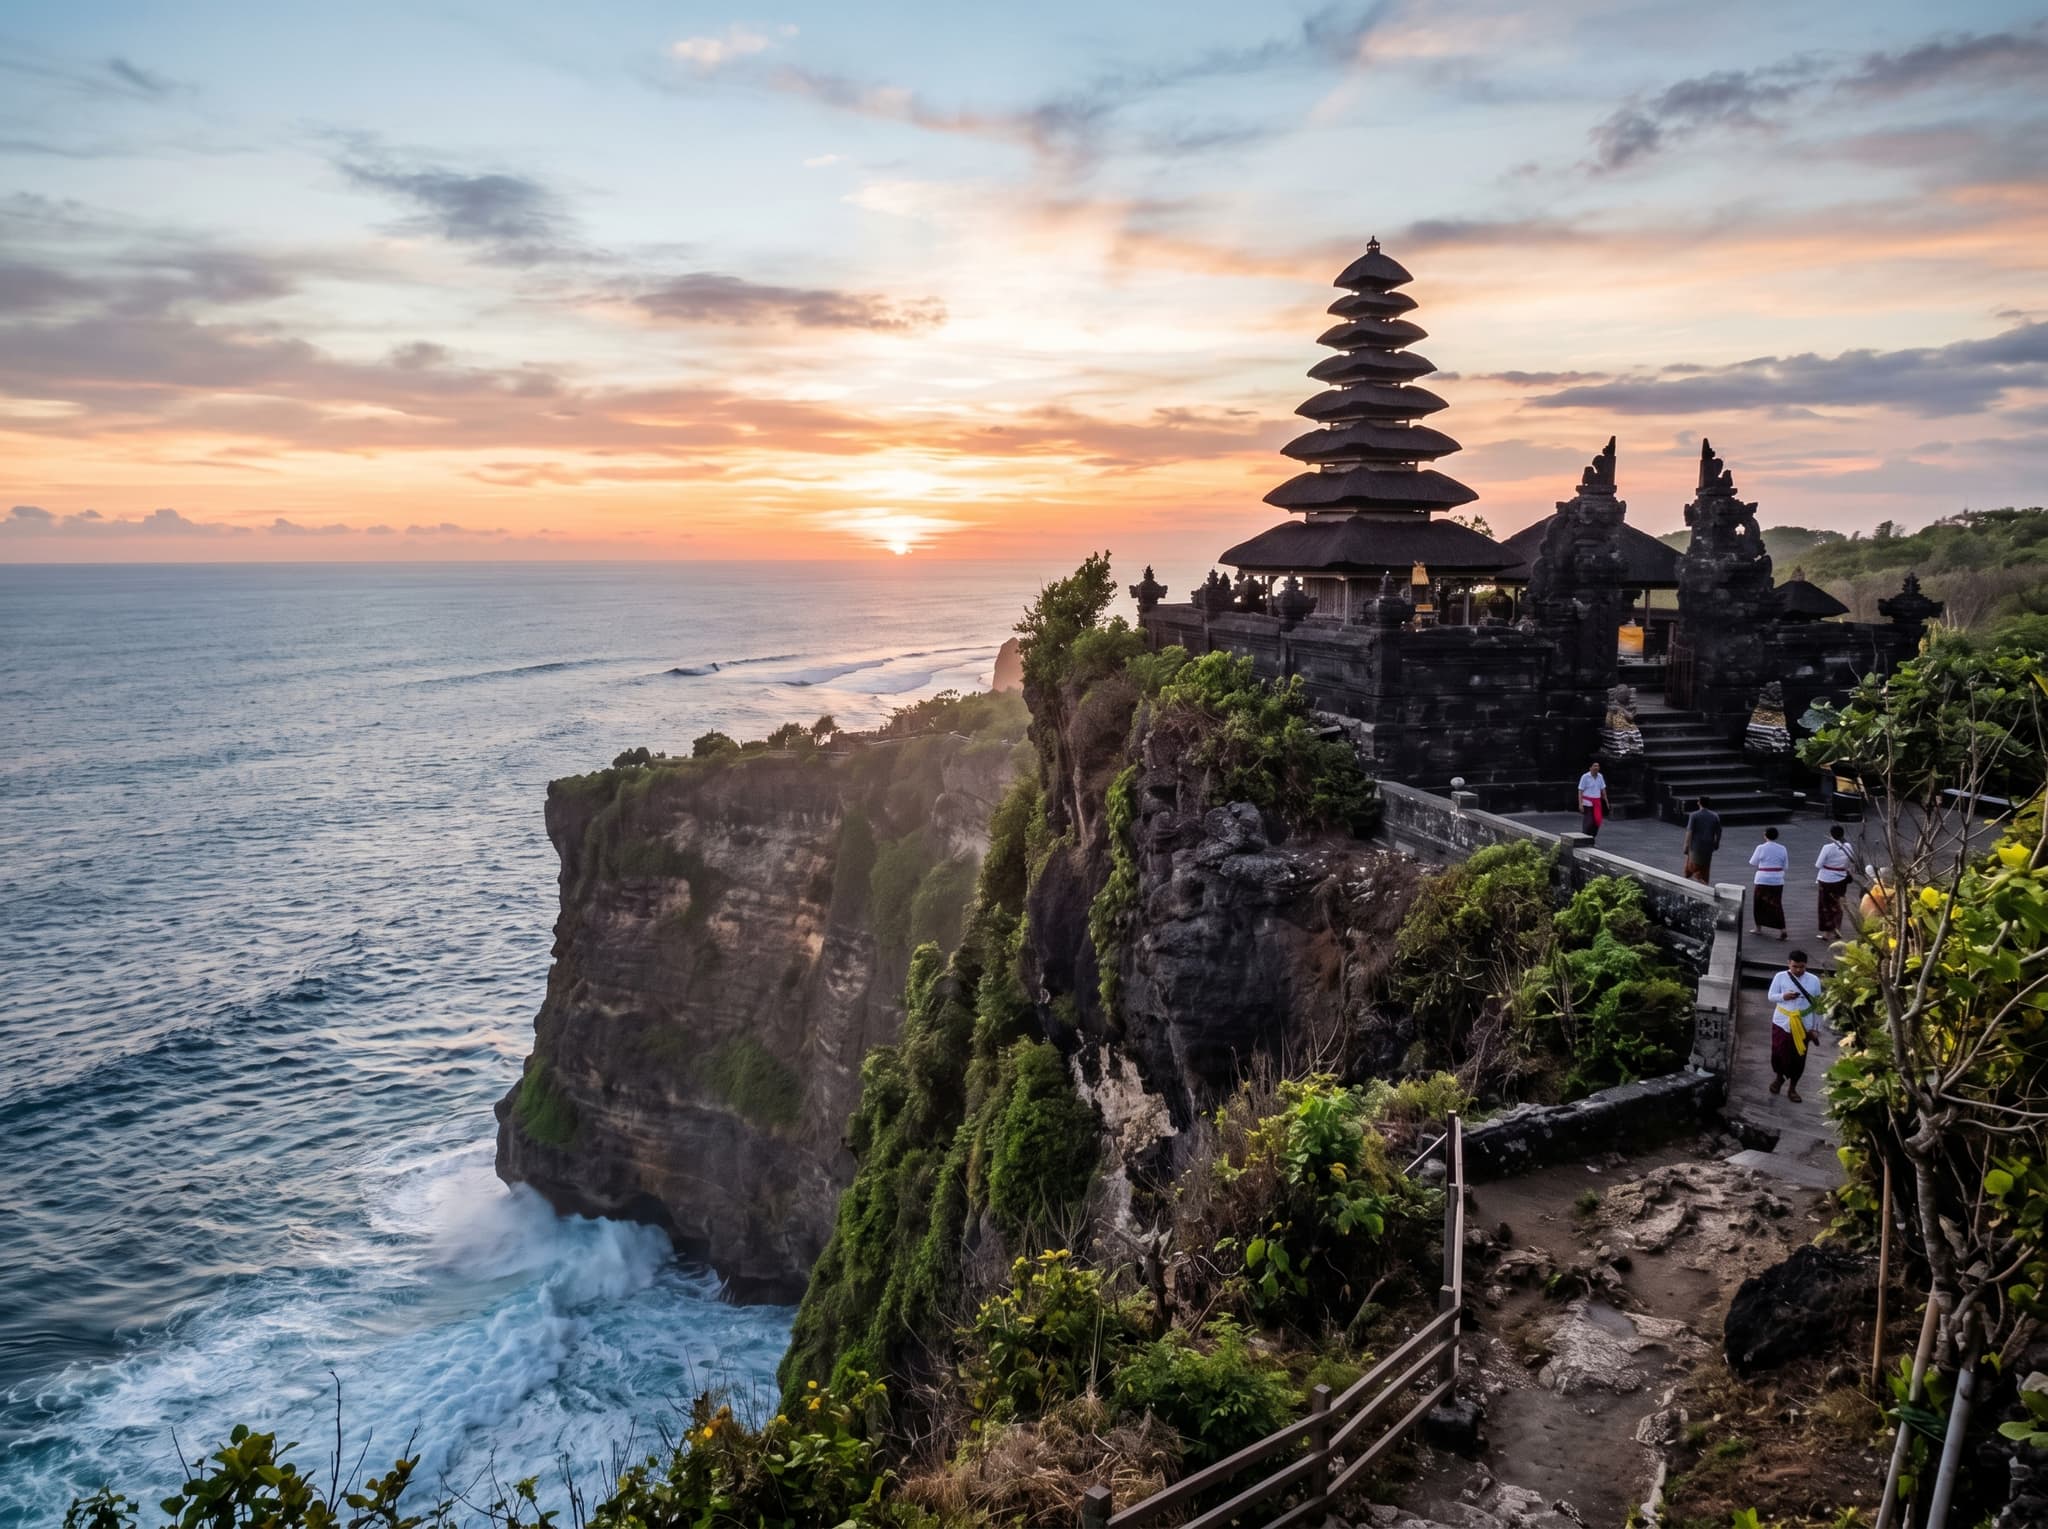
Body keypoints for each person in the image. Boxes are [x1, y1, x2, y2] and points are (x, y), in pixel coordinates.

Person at [1767, 950, 1826, 1103]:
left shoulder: (1814, 981)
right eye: (1795, 967)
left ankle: (1792, 1088)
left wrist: (1815, 1028)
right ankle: (1779, 1078)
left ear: (1806, 965)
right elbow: (1771, 996)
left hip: (1803, 1024)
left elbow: (1818, 1006)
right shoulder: (1780, 977)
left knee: (1798, 1058)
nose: (1798, 970)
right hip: (1782, 1022)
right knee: (1778, 1053)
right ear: (1789, 963)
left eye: (1801, 967)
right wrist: (1783, 997)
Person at [1815, 824, 1855, 939]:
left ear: (1831, 835)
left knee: (1825, 906)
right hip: (1841, 878)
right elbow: (1852, 860)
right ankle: (1837, 929)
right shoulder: (1848, 846)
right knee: (1838, 904)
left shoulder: (1827, 847)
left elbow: (1818, 864)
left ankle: (1826, 933)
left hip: (1826, 878)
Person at [1749, 825, 1789, 939]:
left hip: (1763, 879)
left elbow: (1753, 862)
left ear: (1765, 835)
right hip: (1777, 880)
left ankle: (1758, 927)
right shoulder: (1783, 848)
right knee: (1776, 905)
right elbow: (1785, 865)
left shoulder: (1761, 847)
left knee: (1759, 904)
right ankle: (1783, 929)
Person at [1682, 795, 1722, 884]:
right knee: (1705, 867)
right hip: (1708, 846)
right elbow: (1718, 831)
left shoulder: (1694, 815)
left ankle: (1696, 879)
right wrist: (1716, 843)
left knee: (1692, 867)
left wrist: (1686, 845)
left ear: (1699, 803)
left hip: (1695, 846)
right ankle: (1702, 881)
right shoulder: (1715, 816)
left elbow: (1689, 832)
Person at [1577, 760, 1607, 841]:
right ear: (1590, 768)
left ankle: (1592, 838)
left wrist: (1606, 802)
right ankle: (1584, 838)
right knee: (1589, 821)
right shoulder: (1585, 777)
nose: (1596, 768)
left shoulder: (1600, 776)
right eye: (1594, 766)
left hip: (1597, 803)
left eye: (1597, 766)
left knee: (1597, 822)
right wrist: (1580, 804)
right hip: (1587, 803)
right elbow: (1580, 790)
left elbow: (1603, 789)